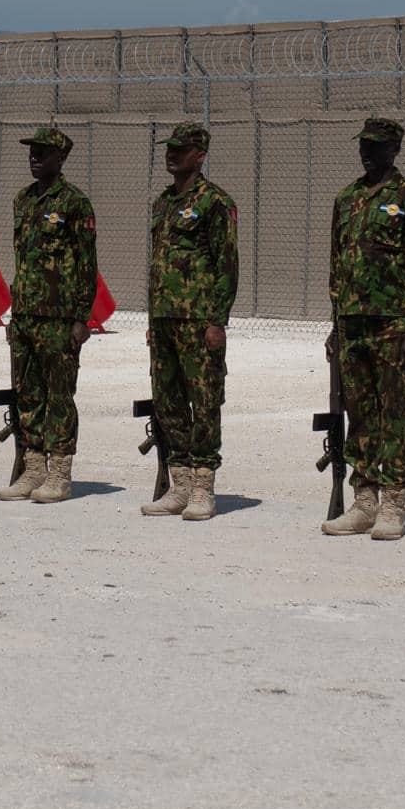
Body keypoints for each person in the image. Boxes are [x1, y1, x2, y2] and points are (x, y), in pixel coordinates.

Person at [322, 117, 405, 540]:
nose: (367, 152)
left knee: (395, 413)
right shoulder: (347, 198)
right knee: (360, 412)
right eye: (364, 145)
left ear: (395, 149)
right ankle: (364, 498)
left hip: (394, 325)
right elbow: (337, 265)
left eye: (377, 145)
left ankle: (393, 502)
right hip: (353, 325)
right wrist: (336, 324)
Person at [141, 123, 239, 521]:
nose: (171, 155)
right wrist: (153, 319)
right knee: (169, 402)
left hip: (199, 322)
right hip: (165, 320)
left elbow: (226, 264)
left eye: (180, 150)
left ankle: (203, 486)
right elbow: (157, 267)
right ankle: (178, 483)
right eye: (169, 149)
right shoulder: (163, 202)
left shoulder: (215, 202)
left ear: (199, 156)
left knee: (205, 402)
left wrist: (217, 320)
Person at [0, 127, 97, 504]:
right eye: (32, 151)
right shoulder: (23, 200)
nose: (34, 157)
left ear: (62, 158)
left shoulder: (74, 203)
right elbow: (22, 259)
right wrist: (15, 313)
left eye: (43, 151)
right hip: (26, 315)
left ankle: (59, 473)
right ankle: (33, 467)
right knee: (27, 394)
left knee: (59, 396)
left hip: (59, 318)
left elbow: (87, 264)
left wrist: (80, 317)